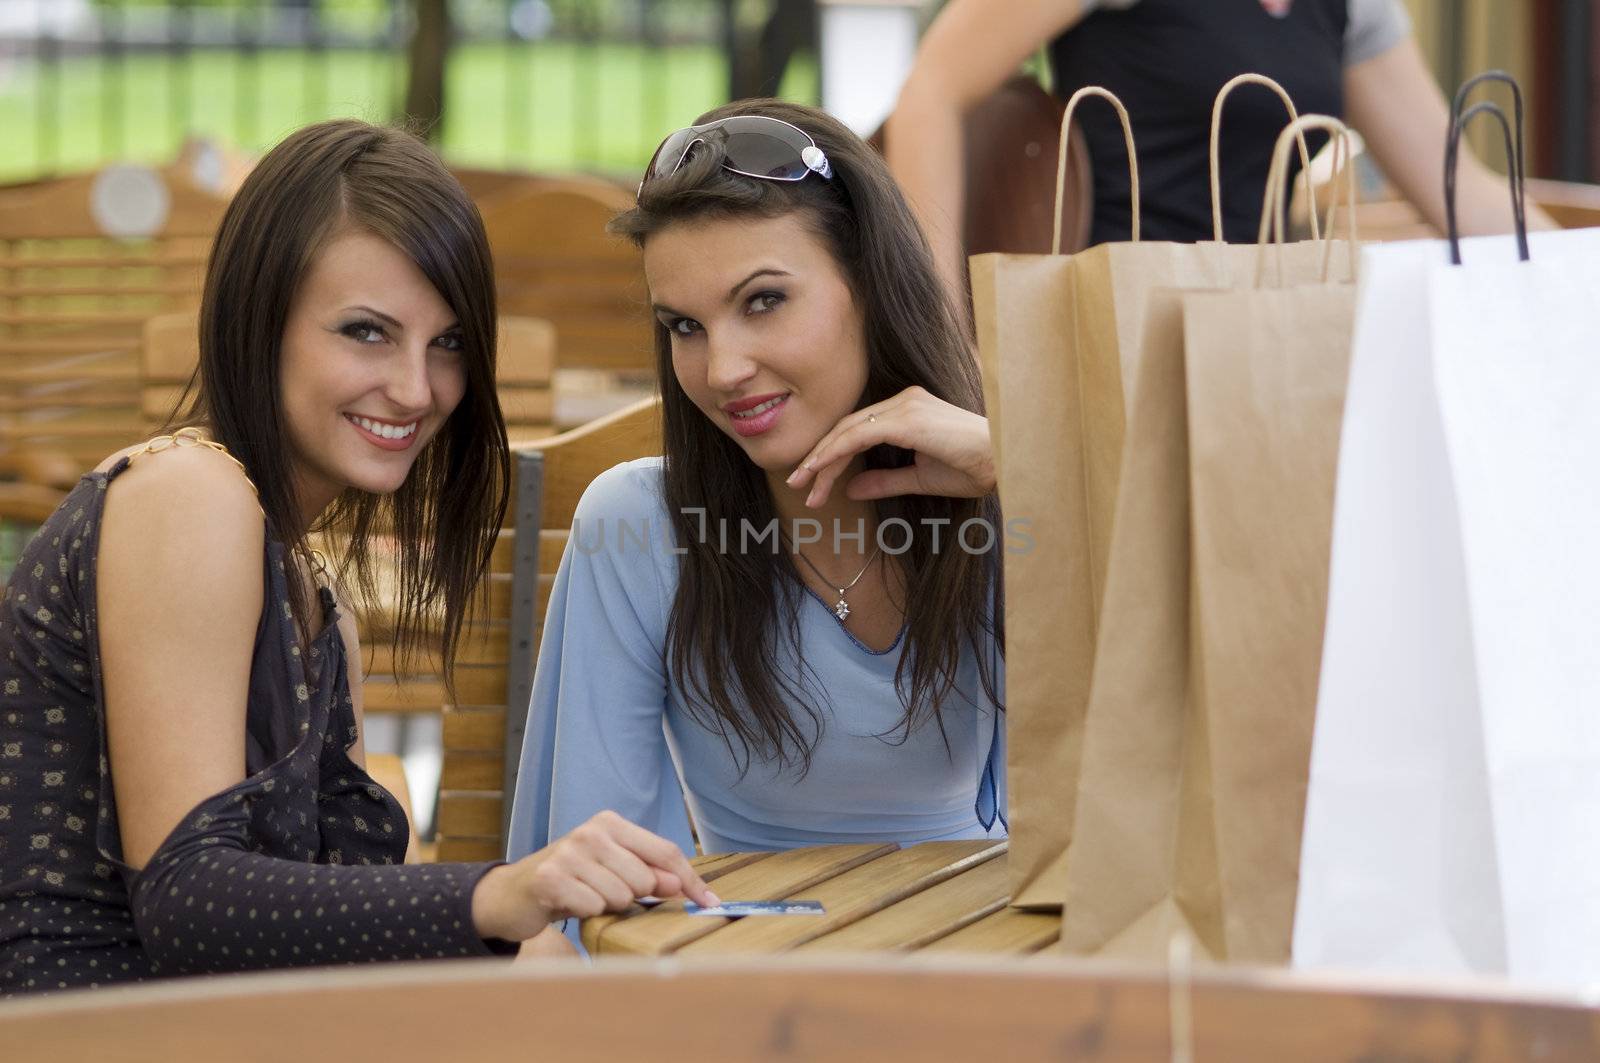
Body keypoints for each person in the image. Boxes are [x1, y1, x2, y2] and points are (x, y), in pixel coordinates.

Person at [0, 119, 714, 996]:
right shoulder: (186, 492)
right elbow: (185, 894)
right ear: (262, 320)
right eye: (367, 332)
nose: (418, 389)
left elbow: (361, 907)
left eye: (447, 343)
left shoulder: (315, 603)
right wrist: (501, 891)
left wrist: (573, 972)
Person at [506, 102, 1008, 898]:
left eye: (763, 301)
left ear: (870, 285)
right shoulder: (639, 527)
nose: (721, 369)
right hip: (745, 978)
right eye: (684, 325)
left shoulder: (1002, 498)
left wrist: (1013, 465)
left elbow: (1162, 739)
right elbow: (598, 881)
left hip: (989, 961)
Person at [887, 0, 1555, 307]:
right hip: (1105, 326)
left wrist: (1578, 279)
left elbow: (1461, 187)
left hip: (1251, 338)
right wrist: (944, 340)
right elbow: (932, 94)